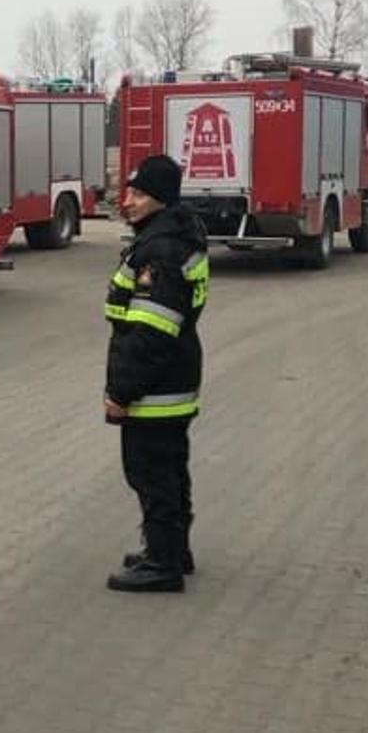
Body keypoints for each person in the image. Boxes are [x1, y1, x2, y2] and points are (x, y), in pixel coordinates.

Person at [102, 154, 209, 593]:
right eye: (128, 190)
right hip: (175, 380)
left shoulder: (159, 251)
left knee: (150, 472)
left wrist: (120, 391)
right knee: (171, 467)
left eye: (139, 193)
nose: (128, 200)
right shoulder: (174, 237)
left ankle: (162, 565)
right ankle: (172, 551)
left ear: (161, 200)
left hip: (155, 388)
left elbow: (150, 333)